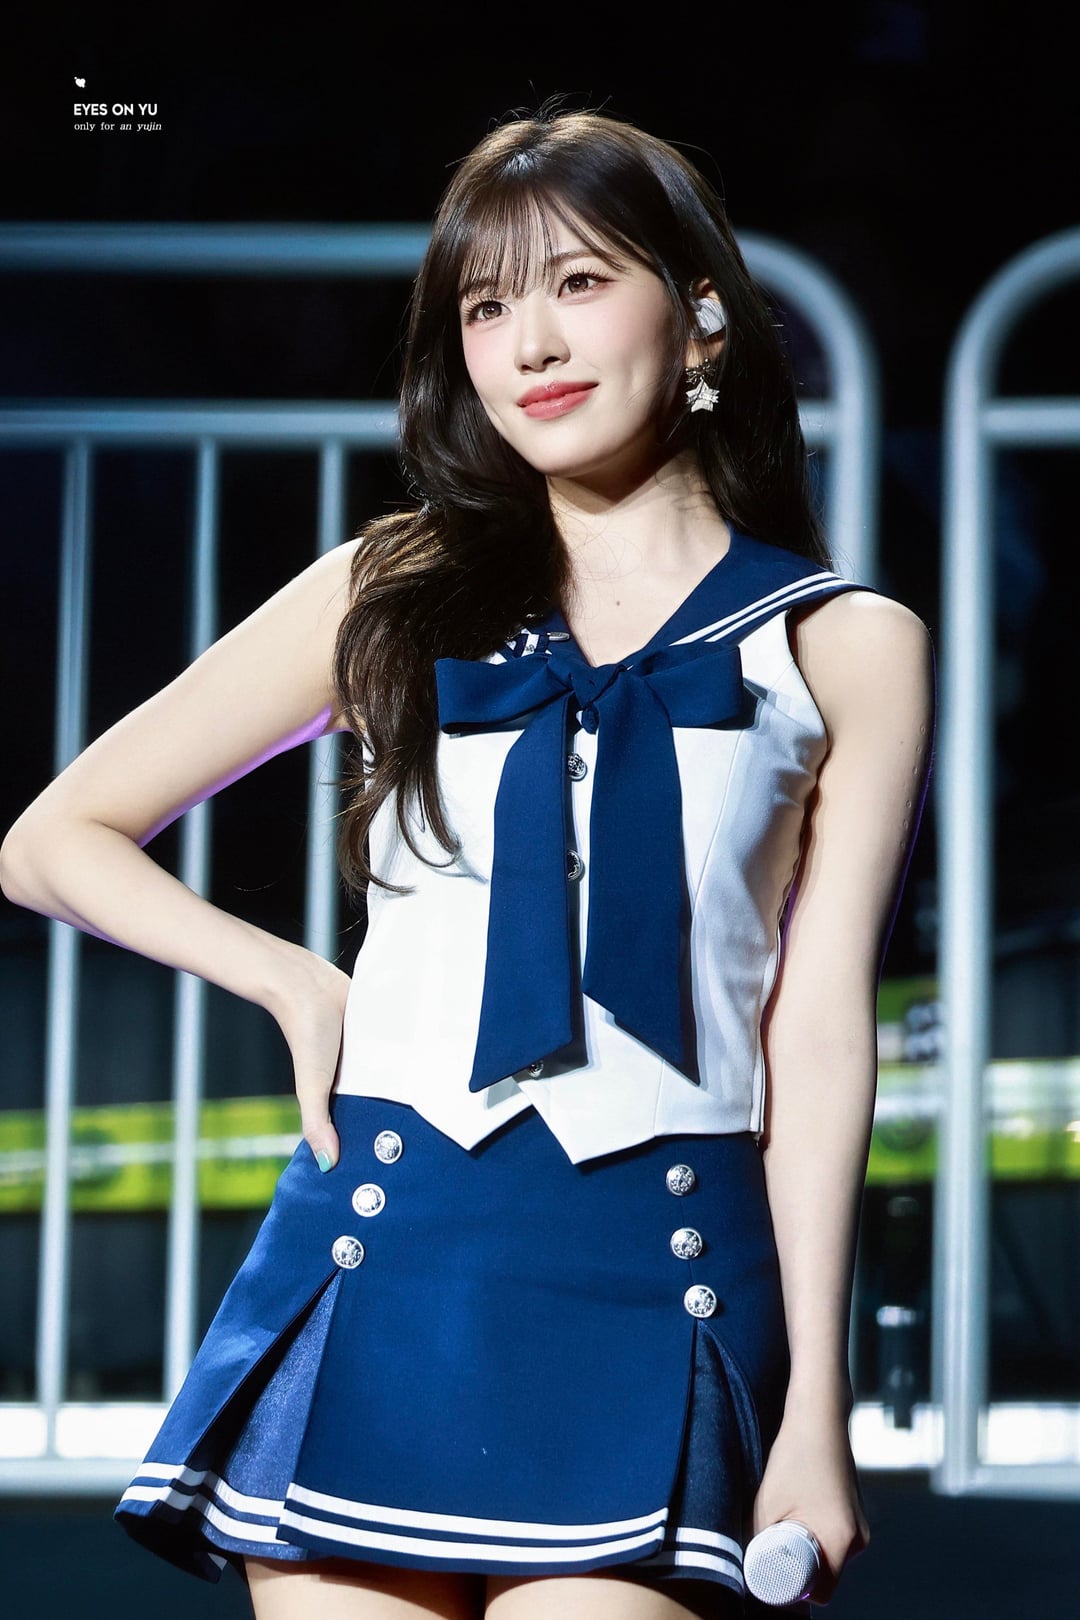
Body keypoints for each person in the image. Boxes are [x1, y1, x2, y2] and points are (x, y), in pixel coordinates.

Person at [0, 102, 934, 1620]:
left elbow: (820, 1038)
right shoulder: (389, 586)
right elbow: (53, 839)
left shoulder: (847, 644)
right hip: (386, 1249)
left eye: (579, 282)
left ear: (701, 314)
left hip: (666, 1270)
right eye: (487, 306)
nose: (530, 343)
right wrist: (292, 981)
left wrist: (815, 1412)